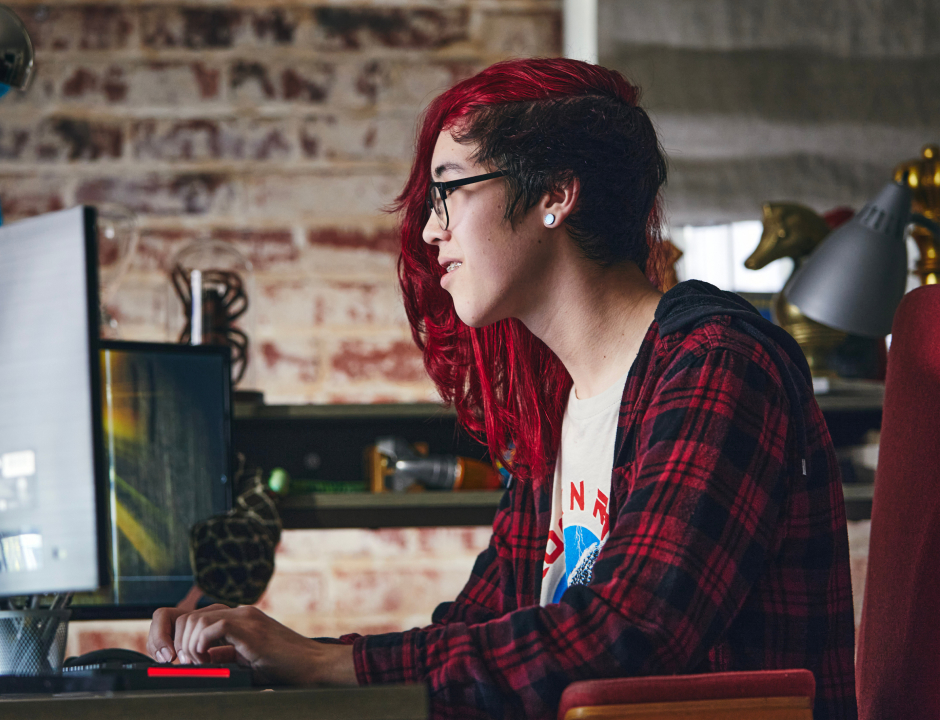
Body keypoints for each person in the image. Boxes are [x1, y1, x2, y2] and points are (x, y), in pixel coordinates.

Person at [147, 58, 858, 720]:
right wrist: (288, 654)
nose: (429, 229)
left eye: (449, 191)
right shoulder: (557, 408)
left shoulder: (717, 366)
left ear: (555, 191)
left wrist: (323, 664)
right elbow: (483, 632)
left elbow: (628, 636)